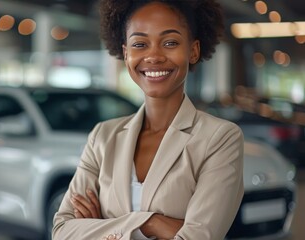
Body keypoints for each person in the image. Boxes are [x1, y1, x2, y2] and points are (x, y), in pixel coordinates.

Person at [52, 0, 244, 239]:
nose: (153, 56)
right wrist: (149, 222)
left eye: (170, 42)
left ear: (193, 51)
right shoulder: (102, 136)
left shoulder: (220, 138)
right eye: (140, 44)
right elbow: (62, 231)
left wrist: (103, 226)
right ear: (125, 53)